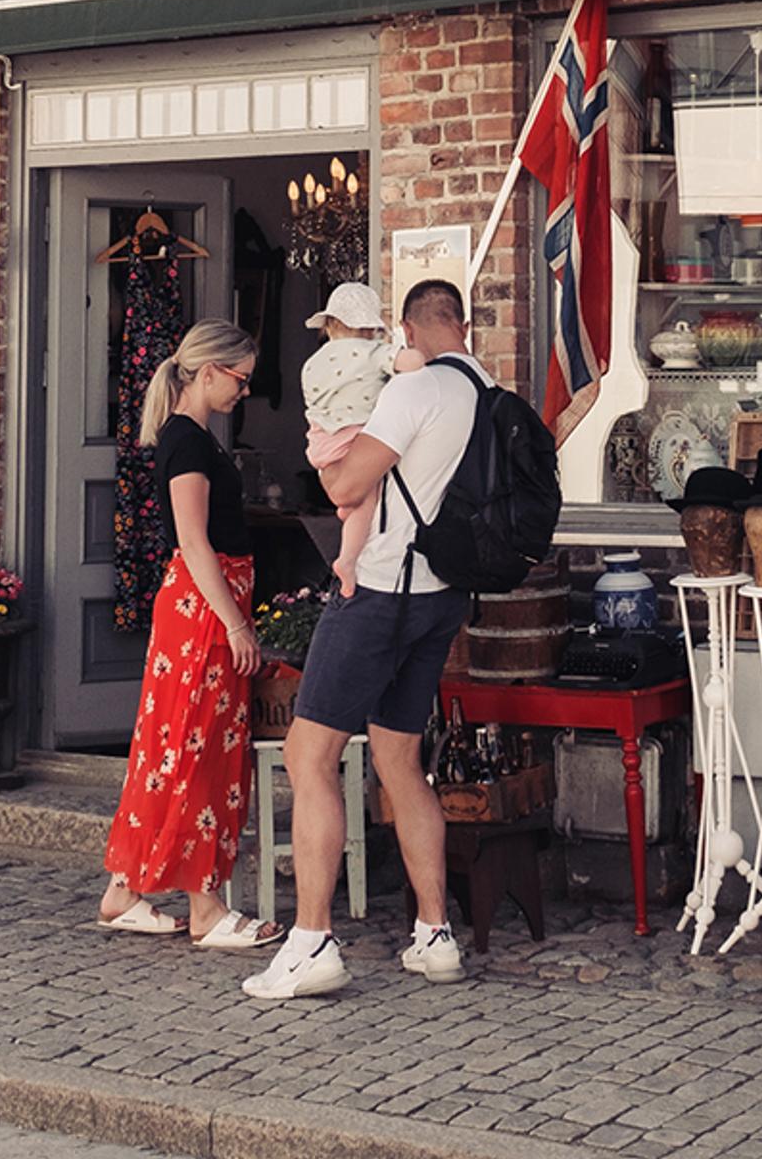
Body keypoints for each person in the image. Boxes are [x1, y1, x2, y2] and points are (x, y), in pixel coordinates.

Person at [246, 277, 482, 1001]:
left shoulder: (409, 393)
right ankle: (435, 935)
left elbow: (349, 488)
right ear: (463, 323)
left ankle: (312, 940)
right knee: (399, 758)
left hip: (381, 589)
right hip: (444, 595)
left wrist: (333, 462)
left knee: (307, 754)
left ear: (406, 328)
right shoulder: (483, 388)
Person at [93, 319, 286, 952]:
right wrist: (234, 621)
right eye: (240, 379)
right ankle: (205, 907)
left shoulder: (191, 437)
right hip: (205, 607)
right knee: (199, 750)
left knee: (175, 746)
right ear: (209, 372)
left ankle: (125, 892)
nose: (244, 392)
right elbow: (194, 540)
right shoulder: (187, 443)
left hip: (203, 603)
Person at [298, 281, 398, 539]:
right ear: (371, 328)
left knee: (351, 497)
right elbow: (408, 363)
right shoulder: (372, 352)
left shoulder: (311, 363)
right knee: (369, 497)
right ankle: (348, 557)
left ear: (329, 325)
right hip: (354, 436)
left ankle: (348, 513)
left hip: (321, 442)